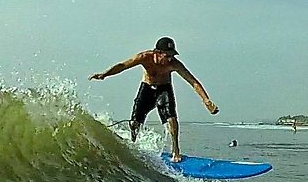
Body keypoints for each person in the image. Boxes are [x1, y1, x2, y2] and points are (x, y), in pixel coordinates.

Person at [89, 36, 218, 162]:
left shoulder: (174, 64)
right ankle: (133, 144)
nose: (170, 59)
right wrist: (104, 74)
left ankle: (176, 151)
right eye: (167, 56)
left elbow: (193, 81)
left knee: (171, 119)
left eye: (172, 55)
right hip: (147, 89)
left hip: (164, 89)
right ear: (158, 53)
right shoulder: (145, 57)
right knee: (134, 123)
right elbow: (123, 65)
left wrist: (206, 100)